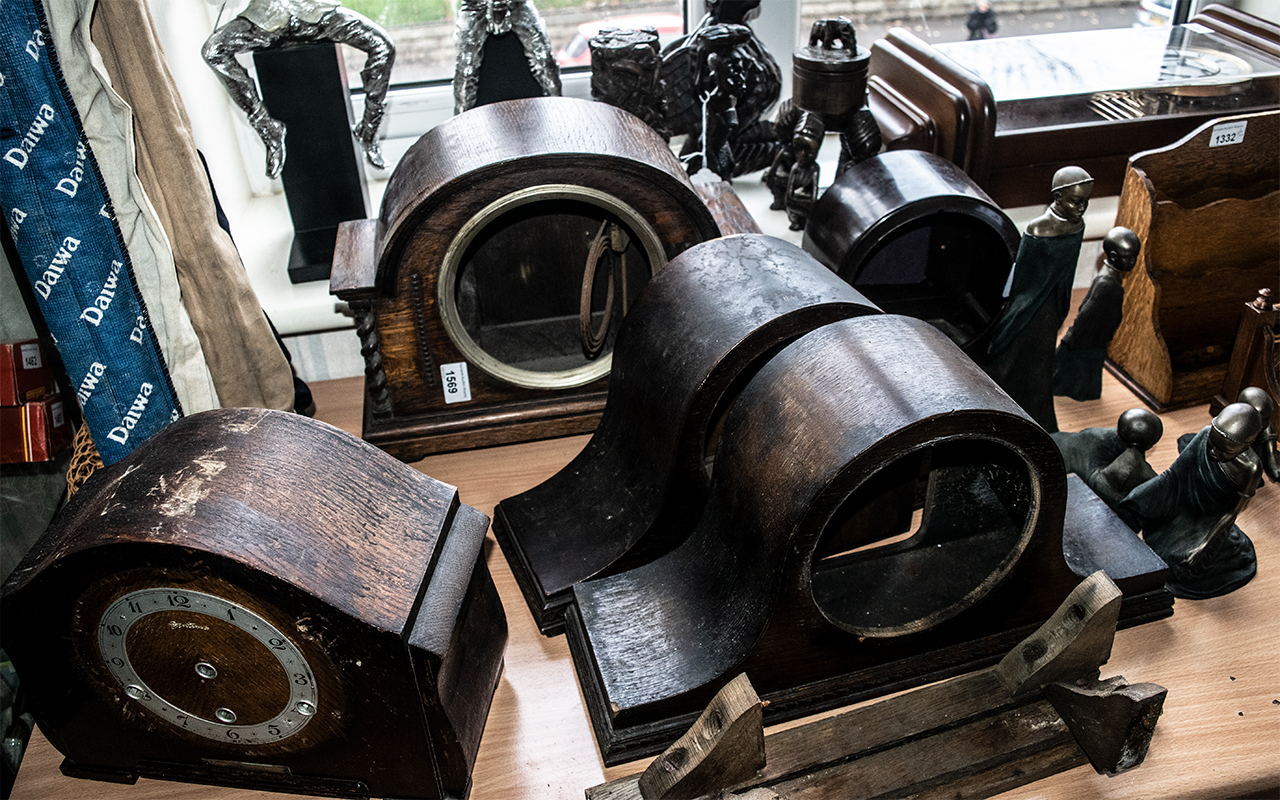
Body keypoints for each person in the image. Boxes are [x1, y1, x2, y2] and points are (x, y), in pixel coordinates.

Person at [202, 0, 395, 177]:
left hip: (318, 11)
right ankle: (268, 129)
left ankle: (368, 131)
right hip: (264, 17)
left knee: (383, 46)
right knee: (213, 51)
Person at [984, 166, 1093, 432]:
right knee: (1007, 355)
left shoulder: (1076, 225)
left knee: (1040, 368)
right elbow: (1023, 276)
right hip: (1028, 306)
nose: (1081, 209)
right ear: (1057, 197)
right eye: (1075, 201)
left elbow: (1066, 273)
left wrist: (1060, 306)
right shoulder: (1039, 228)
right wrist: (1017, 306)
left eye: (1085, 203)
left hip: (1052, 306)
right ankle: (987, 406)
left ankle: (1038, 418)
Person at [1120, 403, 1264, 599]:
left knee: (1183, 566)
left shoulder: (1251, 468)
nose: (1213, 453)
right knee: (1155, 534)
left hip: (1212, 520)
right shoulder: (1205, 434)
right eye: (1213, 445)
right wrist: (1145, 495)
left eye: (1224, 452)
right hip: (1186, 505)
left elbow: (1231, 513)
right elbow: (1175, 475)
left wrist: (1203, 545)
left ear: (1246, 445)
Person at [1052, 227, 1140, 401]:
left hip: (1095, 338)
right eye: (1129, 257)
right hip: (1088, 338)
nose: (1133, 262)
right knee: (1077, 367)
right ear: (1113, 257)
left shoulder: (1111, 279)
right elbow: (1087, 313)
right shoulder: (1108, 285)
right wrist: (1073, 334)